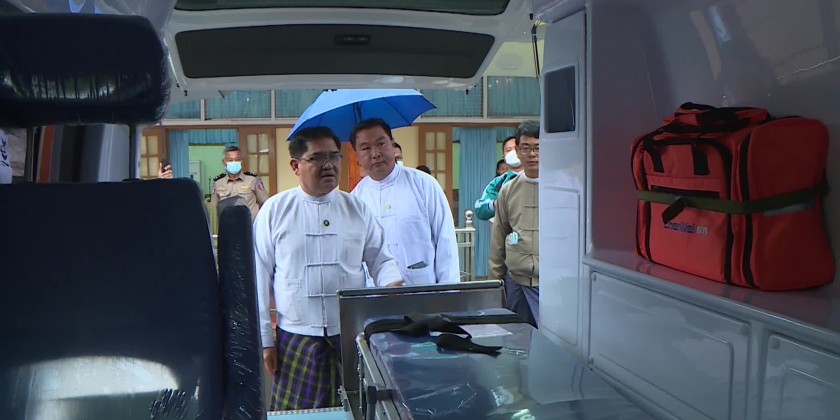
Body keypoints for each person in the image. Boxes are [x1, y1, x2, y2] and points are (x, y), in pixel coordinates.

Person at [254, 126, 404, 411]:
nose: (328, 165)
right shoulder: (275, 211)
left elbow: (382, 260)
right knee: (299, 415)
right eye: (317, 158)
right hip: (296, 336)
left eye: (334, 156)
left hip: (350, 334)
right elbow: (257, 277)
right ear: (295, 165)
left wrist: (391, 286)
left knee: (357, 409)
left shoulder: (356, 208)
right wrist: (265, 341)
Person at [350, 118, 460, 285]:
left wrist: (448, 292)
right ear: (357, 156)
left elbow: (446, 242)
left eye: (381, 144)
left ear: (392, 144)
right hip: (375, 293)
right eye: (366, 148)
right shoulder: (355, 199)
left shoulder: (424, 185)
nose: (375, 153)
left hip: (423, 289)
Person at [488, 120, 540, 327]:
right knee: (516, 336)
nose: (532, 154)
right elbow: (498, 237)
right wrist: (495, 281)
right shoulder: (508, 190)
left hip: (550, 281)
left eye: (537, 148)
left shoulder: (561, 186)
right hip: (516, 279)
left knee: (551, 336)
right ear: (517, 152)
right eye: (526, 148)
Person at [210, 145, 269, 221]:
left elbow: (265, 202)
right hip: (227, 224)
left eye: (237, 159)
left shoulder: (253, 180)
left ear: (241, 161)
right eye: (230, 160)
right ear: (224, 163)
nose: (234, 162)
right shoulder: (218, 182)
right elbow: (214, 208)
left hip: (250, 224)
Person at [473, 136, 524, 221]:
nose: (513, 153)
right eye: (508, 150)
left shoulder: (538, 177)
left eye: (516, 149)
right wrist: (495, 204)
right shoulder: (498, 182)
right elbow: (480, 209)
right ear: (504, 157)